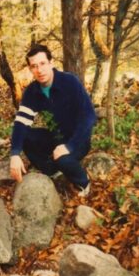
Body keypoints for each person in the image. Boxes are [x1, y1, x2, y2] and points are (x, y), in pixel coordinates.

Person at [10, 44, 96, 196]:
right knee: (27, 137)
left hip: (77, 139)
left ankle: (84, 182)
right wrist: (15, 154)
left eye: (43, 64)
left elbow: (89, 116)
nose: (39, 70)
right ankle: (53, 172)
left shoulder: (70, 82)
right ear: (30, 69)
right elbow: (21, 123)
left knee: (63, 159)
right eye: (34, 66)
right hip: (54, 136)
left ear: (51, 63)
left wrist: (70, 146)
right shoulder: (32, 91)